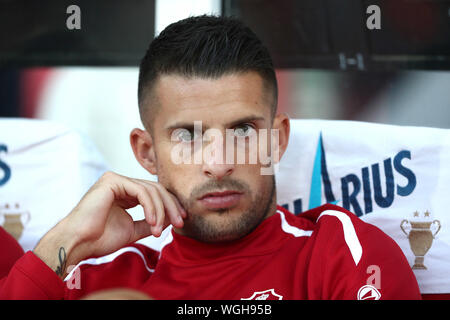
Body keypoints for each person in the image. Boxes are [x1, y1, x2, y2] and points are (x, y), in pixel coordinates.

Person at [0, 15, 421, 300]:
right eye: (187, 135)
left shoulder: (341, 256)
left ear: (276, 142)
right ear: (146, 152)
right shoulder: (98, 277)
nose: (218, 164)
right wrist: (66, 242)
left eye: (242, 131)